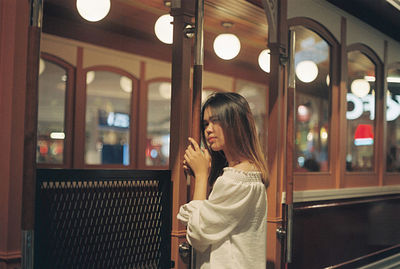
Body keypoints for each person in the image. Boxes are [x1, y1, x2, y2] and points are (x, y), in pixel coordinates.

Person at [177, 92, 269, 269]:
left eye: (216, 121)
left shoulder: (237, 179)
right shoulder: (248, 172)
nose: (208, 129)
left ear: (236, 124)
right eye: (205, 123)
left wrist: (202, 176)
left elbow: (197, 232)